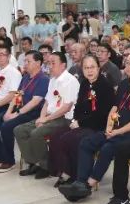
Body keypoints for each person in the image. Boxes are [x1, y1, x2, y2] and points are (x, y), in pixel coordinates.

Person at [59, 50, 130, 204]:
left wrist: (118, 131)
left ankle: (88, 185)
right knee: (87, 143)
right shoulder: (124, 84)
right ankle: (80, 182)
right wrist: (109, 129)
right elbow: (114, 108)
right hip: (117, 130)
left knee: (107, 148)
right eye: (128, 63)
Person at [48, 55, 115, 187]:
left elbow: (102, 114)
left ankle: (74, 175)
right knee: (56, 136)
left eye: (92, 67)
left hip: (99, 126)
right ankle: (65, 170)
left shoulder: (105, 86)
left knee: (70, 139)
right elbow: (78, 106)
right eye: (86, 68)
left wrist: (80, 123)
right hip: (83, 123)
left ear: (98, 68)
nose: (89, 71)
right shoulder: (84, 83)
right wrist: (75, 119)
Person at [14, 52, 80, 178]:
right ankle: (34, 162)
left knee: (36, 133)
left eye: (53, 63)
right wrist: (41, 117)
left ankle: (46, 167)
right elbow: (47, 102)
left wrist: (46, 119)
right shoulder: (52, 80)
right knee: (19, 130)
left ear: (63, 65)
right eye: (48, 63)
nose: (49, 66)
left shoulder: (70, 81)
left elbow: (66, 107)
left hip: (64, 118)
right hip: (50, 116)